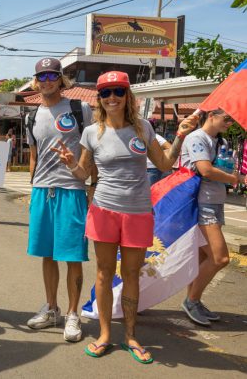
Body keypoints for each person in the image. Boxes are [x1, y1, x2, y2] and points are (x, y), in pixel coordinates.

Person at [52, 71, 197, 363]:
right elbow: (82, 174)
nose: (112, 98)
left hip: (138, 212)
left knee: (131, 274)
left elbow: (165, 165)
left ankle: (131, 335)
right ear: (100, 99)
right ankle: (105, 335)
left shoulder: (143, 127)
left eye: (118, 91)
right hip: (104, 210)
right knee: (105, 273)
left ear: (127, 95)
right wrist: (69, 165)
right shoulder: (91, 133)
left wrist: (180, 135)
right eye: (105, 93)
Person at [25, 57, 95, 343]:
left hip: (72, 190)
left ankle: (72, 314)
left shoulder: (81, 109)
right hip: (42, 191)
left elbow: (92, 150)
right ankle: (51, 307)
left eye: (53, 75)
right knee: (47, 255)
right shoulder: (31, 115)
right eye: (42, 76)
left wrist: (93, 185)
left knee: (72, 256)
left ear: (61, 79)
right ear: (36, 80)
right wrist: (32, 189)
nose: (47, 81)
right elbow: (33, 156)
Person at [181, 109, 244, 326]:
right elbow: (205, 170)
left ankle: (194, 301)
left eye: (232, 119)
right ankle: (191, 300)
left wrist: (235, 176)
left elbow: (221, 169)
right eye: (226, 118)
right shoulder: (197, 138)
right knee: (220, 258)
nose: (230, 122)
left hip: (214, 202)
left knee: (201, 258)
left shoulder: (220, 141)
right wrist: (231, 179)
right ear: (211, 116)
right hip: (201, 202)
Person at [146, 119, 171, 186]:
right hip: (143, 168)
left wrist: (159, 154)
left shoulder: (156, 137)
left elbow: (169, 147)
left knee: (150, 191)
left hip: (152, 169)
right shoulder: (142, 135)